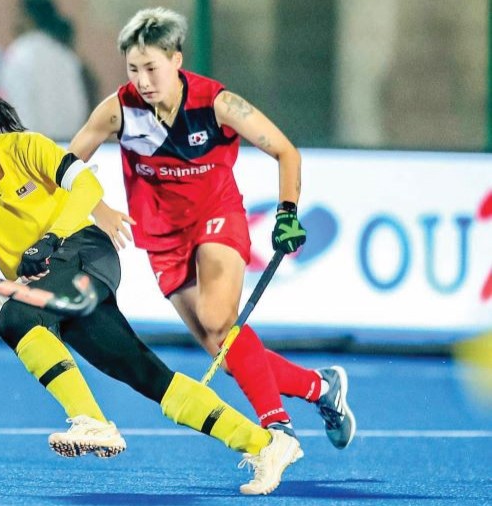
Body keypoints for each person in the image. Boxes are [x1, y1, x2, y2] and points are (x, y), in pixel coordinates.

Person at [0, 80, 301, 496]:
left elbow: (87, 186)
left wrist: (50, 238)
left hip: (86, 254)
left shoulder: (26, 147)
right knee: (150, 377)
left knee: (14, 319)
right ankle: (265, 445)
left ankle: (92, 421)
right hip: (47, 284)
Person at [69, 7, 356, 452]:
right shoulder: (118, 110)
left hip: (216, 218)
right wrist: (99, 207)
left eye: (152, 68)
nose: (143, 80)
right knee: (224, 351)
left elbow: (286, 151)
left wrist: (286, 212)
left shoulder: (216, 103)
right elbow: (66, 164)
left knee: (219, 320)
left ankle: (276, 426)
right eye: (133, 69)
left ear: (176, 60)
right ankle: (320, 387)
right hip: (162, 239)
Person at [0, 0, 87, 141]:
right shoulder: (65, 56)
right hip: (66, 145)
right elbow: (78, 111)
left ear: (27, 16)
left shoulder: (17, 54)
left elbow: (15, 110)